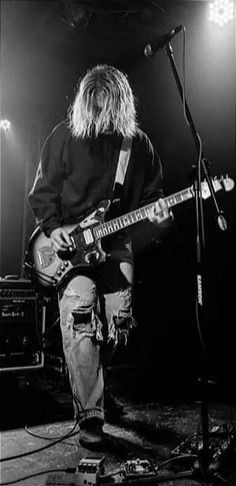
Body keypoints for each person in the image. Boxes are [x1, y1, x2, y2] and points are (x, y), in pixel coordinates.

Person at [28, 64, 173, 448]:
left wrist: (159, 214)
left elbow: (153, 197)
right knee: (79, 318)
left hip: (115, 241)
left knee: (120, 325)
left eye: (107, 110)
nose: (98, 119)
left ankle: (92, 382)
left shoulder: (136, 144)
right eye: (93, 109)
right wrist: (53, 228)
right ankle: (90, 415)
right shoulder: (64, 135)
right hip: (69, 246)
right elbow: (42, 192)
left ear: (120, 106)